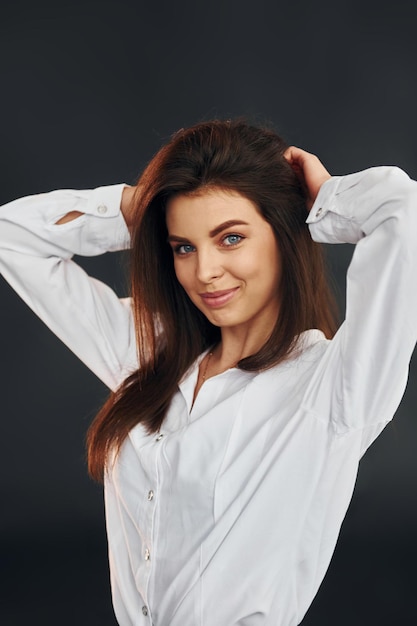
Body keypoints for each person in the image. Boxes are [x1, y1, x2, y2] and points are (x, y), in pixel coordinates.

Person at [1, 119, 416, 626]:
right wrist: (138, 207)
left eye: (231, 238)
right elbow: (10, 237)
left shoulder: (333, 387)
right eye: (184, 246)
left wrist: (325, 199)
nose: (204, 272)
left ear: (284, 232)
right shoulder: (150, 354)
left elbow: (403, 209)